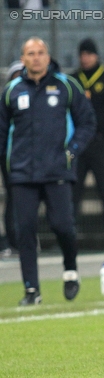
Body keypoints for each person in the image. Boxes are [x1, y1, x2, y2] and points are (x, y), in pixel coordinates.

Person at [0, 37, 96, 305]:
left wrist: (72, 150)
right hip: (22, 174)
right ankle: (32, 290)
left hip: (57, 171)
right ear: (23, 58)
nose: (36, 58)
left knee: (63, 226)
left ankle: (70, 271)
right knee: (25, 232)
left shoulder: (65, 85)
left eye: (40, 52)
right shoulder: (12, 91)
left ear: (48, 55)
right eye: (30, 53)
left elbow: (87, 122)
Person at [71, 38, 104, 251]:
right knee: (72, 192)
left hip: (100, 142)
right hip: (78, 144)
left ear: (96, 55)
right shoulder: (73, 80)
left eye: (88, 54)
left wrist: (93, 124)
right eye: (82, 54)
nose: (85, 58)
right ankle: (68, 240)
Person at [0, 60, 23, 259]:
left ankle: (26, 241)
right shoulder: (6, 101)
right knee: (13, 199)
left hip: (29, 158)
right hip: (9, 158)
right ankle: (10, 241)